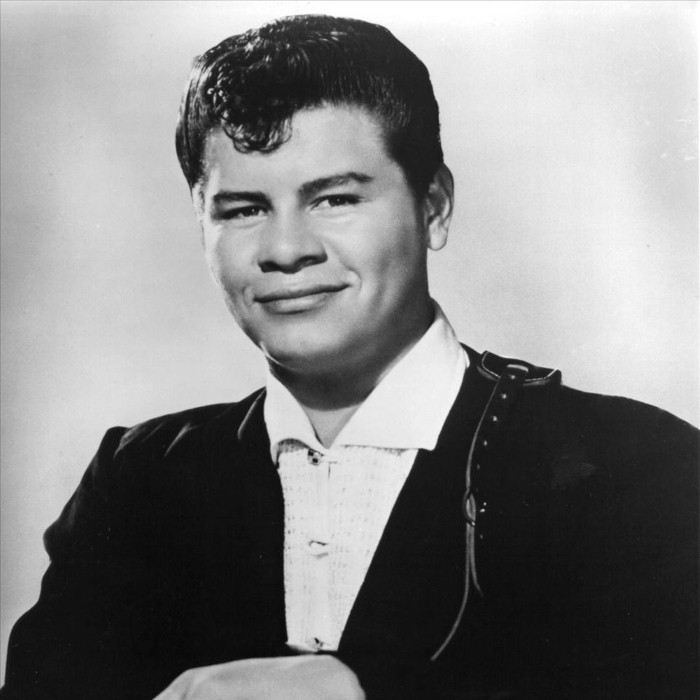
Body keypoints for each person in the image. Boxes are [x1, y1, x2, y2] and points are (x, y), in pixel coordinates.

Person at [2, 14, 697, 700]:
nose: (286, 249)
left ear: (434, 207)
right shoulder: (139, 482)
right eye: (243, 210)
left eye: (334, 199)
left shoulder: (634, 466)